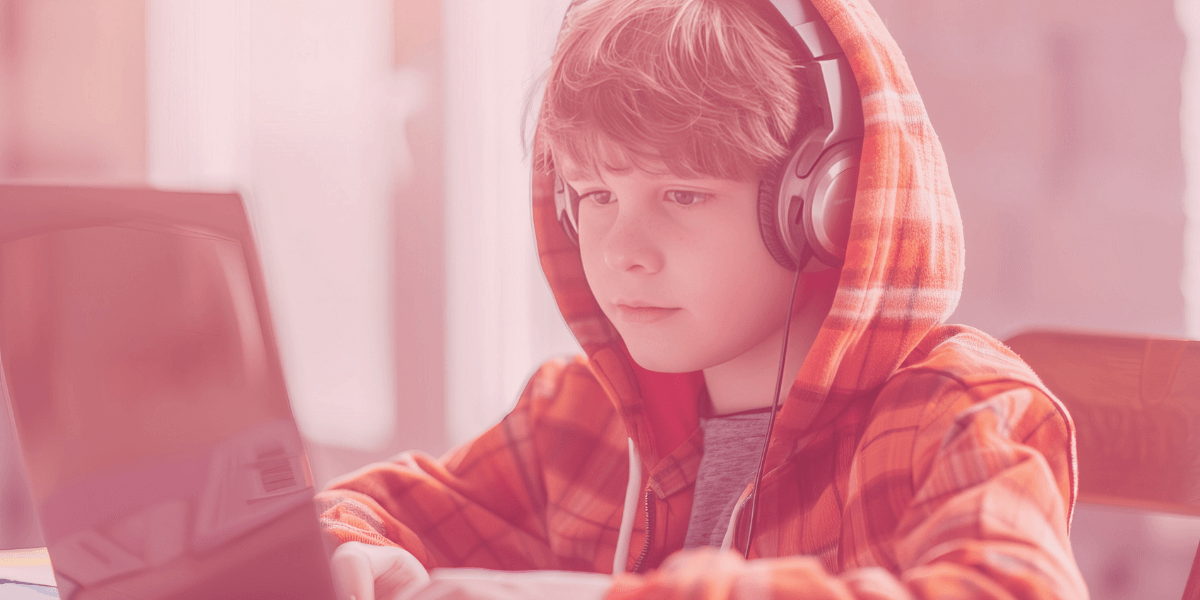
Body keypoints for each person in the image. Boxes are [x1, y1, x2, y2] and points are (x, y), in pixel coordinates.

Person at [316, 0, 1090, 598]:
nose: (622, 251)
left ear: (824, 204)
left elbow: (1012, 587)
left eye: (682, 195)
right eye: (593, 194)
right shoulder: (578, 417)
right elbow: (360, 515)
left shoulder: (954, 413)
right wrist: (351, 551)